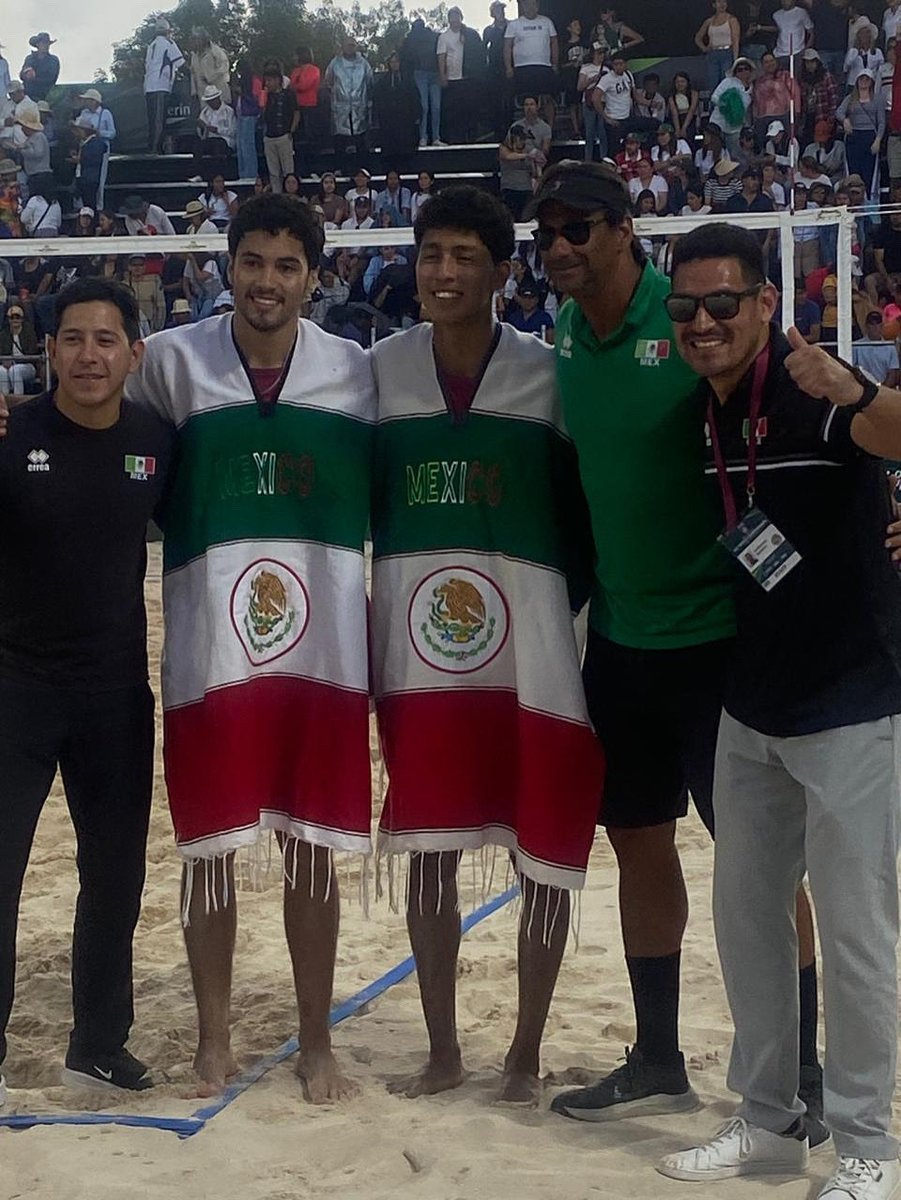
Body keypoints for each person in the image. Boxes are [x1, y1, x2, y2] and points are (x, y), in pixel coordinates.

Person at [529, 160, 822, 1131]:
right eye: (548, 231)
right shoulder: (566, 332)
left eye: (580, 228)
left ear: (625, 229)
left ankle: (806, 1076)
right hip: (618, 639)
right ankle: (658, 1058)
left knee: (760, 863)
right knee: (638, 846)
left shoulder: (691, 316)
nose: (561, 247)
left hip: (714, 639)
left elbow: (797, 420)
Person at [657, 220, 901, 1200]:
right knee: (748, 925)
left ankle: (870, 1147)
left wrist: (859, 392)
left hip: (850, 701)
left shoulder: (814, 387)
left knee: (855, 937)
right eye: (687, 308)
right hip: (749, 707)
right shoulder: (699, 417)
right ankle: (765, 1122)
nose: (704, 321)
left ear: (765, 305)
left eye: (724, 303)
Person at [118, 194, 375, 1098]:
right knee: (210, 848)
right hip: (207, 645)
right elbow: (90, 424)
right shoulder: (171, 365)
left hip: (325, 652)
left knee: (310, 844)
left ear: (315, 275)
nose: (267, 281)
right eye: (252, 262)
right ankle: (213, 1040)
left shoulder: (356, 373)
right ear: (226, 267)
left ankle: (317, 1041)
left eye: (286, 266)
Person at [369, 184, 602, 1105]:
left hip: (536, 651)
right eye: (432, 254)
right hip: (420, 662)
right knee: (428, 842)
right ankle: (441, 1049)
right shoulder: (376, 373)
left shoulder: (551, 375)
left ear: (504, 274)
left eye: (467, 256)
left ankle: (524, 1053)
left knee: (537, 842)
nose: (445, 272)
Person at [0, 278, 174, 1110]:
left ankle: (98, 1045)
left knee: (115, 880)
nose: (89, 355)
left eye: (106, 340)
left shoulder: (157, 440)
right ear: (49, 351)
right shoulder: (12, 433)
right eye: (72, 339)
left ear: (134, 353)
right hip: (14, 691)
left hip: (114, 695)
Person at [504, 0, 559, 131]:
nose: (530, 7)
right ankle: (529, 129)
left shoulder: (547, 22)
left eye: (533, 4)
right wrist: (508, 67)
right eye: (527, 4)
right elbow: (507, 46)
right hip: (522, 67)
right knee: (527, 100)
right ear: (522, 7)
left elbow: (554, 43)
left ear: (537, 6)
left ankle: (549, 129)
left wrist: (555, 63)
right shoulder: (514, 24)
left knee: (547, 98)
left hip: (543, 66)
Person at [437, 7, 485, 144]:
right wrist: (442, 75)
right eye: (452, 18)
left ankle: (471, 135)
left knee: (469, 108)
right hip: (452, 79)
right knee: (453, 110)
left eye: (457, 18)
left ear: (461, 18)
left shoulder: (470, 34)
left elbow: (480, 53)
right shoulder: (444, 37)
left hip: (468, 78)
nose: (454, 21)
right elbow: (441, 57)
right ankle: (454, 137)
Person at [836, 70, 886, 197]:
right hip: (854, 137)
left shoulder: (878, 99)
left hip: (870, 136)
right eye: (861, 79)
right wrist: (845, 120)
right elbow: (839, 112)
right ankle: (852, 199)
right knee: (853, 172)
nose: (864, 82)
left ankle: (869, 198)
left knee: (870, 172)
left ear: (871, 81)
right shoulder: (850, 98)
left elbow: (881, 121)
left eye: (867, 79)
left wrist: (878, 140)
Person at [325, 39, 374, 157]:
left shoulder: (364, 63)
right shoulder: (335, 63)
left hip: (359, 106)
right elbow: (328, 80)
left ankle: (362, 170)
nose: (350, 48)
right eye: (348, 45)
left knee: (361, 141)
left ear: (356, 47)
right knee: (340, 141)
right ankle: (340, 169)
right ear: (343, 46)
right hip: (340, 107)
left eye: (352, 45)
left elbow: (370, 81)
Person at [144, 18, 185, 155]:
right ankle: (155, 150)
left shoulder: (152, 45)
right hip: (160, 86)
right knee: (158, 121)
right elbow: (180, 63)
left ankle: (154, 148)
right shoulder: (168, 43)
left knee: (153, 120)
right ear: (167, 32)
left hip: (149, 86)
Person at [401, 19, 442, 147]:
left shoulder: (433, 37)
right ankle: (423, 136)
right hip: (420, 74)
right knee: (424, 107)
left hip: (434, 74)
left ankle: (435, 137)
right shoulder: (412, 39)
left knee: (435, 107)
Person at [373, 52, 419, 157]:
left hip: (406, 121)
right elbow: (378, 100)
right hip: (389, 122)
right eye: (392, 62)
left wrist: (415, 115)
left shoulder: (408, 79)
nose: (394, 64)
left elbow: (415, 98)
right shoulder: (383, 81)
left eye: (396, 62)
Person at [260, 66, 298, 194]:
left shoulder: (288, 94)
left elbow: (296, 113)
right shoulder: (267, 96)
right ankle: (276, 195)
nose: (267, 84)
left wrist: (291, 131)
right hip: (269, 136)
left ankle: (290, 195)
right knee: (274, 172)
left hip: (283, 135)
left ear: (277, 80)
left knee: (288, 170)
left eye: (269, 80)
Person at [710, 57, 756, 155]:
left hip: (735, 128)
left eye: (746, 68)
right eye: (740, 69)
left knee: (735, 155)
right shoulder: (728, 82)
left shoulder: (752, 88)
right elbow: (714, 97)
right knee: (717, 153)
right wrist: (726, 106)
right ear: (735, 72)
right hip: (718, 124)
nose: (743, 71)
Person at [190, 86, 236, 182]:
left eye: (212, 100)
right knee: (197, 145)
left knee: (218, 145)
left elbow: (233, 131)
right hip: (210, 140)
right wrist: (202, 128)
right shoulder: (205, 112)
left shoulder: (228, 111)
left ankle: (218, 176)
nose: (211, 103)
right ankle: (198, 174)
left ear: (218, 98)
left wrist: (218, 130)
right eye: (209, 101)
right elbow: (202, 135)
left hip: (225, 141)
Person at [696, 0, 742, 92]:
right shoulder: (709, 21)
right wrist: (704, 48)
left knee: (725, 82)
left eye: (724, 2)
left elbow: (735, 40)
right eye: (719, 2)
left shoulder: (732, 19)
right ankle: (714, 105)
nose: (722, 4)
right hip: (712, 54)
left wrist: (735, 59)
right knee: (712, 83)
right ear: (714, 5)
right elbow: (698, 38)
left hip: (727, 53)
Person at [853, 308, 901, 384]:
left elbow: (892, 373)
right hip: (862, 389)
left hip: (884, 389)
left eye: (877, 323)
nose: (875, 327)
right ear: (867, 326)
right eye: (872, 323)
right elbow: (853, 371)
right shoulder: (856, 346)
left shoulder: (890, 347)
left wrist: (882, 390)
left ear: (882, 325)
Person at [579, 42, 608, 162]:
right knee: (589, 133)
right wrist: (593, 79)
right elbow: (579, 87)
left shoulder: (606, 69)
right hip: (589, 103)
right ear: (593, 54)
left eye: (603, 53)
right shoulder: (586, 68)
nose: (601, 56)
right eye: (599, 53)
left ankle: (604, 160)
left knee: (603, 133)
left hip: (603, 102)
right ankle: (588, 161)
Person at [234, 60, 261, 181]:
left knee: (248, 145)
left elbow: (257, 101)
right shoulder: (241, 81)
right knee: (240, 146)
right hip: (240, 114)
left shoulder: (255, 81)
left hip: (250, 115)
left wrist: (243, 94)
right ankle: (242, 173)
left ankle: (251, 174)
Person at [190, 28, 231, 106]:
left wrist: (211, 78)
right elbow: (193, 74)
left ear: (203, 39)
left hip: (219, 92)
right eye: (193, 39)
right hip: (203, 95)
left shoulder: (215, 51)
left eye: (196, 39)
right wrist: (193, 92)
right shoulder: (194, 56)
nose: (194, 41)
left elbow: (224, 66)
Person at [20, 32, 59, 102]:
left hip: (44, 96)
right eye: (43, 43)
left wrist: (33, 77)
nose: (46, 45)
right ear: (37, 44)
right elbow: (21, 76)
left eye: (47, 43)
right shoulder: (29, 58)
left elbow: (51, 79)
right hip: (27, 96)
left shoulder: (53, 60)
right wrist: (27, 74)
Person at [668, 72, 700, 143]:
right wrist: (678, 129)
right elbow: (674, 113)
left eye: (682, 81)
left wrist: (684, 128)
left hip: (690, 120)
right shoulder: (672, 97)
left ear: (687, 82)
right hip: (677, 120)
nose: (680, 84)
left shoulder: (694, 94)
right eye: (677, 82)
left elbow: (692, 110)